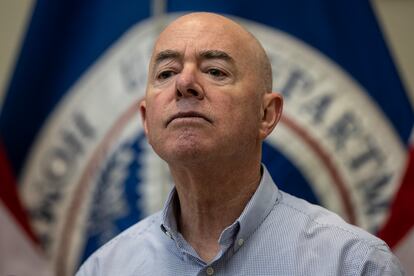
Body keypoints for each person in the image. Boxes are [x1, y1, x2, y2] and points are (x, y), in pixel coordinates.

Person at [77, 12, 404, 275]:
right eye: (166, 73)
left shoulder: (354, 264)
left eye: (216, 71)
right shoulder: (104, 268)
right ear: (147, 120)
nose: (185, 83)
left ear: (266, 114)